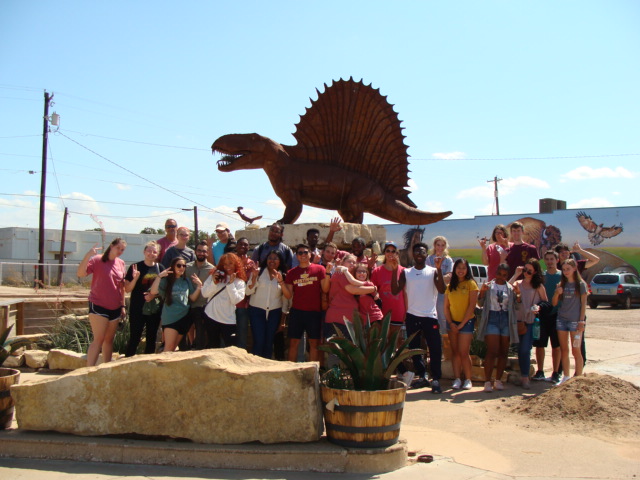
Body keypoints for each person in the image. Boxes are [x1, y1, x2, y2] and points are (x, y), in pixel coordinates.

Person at [391, 242, 446, 393]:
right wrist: (395, 270)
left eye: (422, 252)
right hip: (412, 316)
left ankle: (435, 379)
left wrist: (440, 269)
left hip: (430, 315)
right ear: (412, 255)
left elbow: (442, 289)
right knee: (415, 349)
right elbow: (395, 290)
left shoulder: (433, 271)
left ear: (426, 254)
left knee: (434, 348)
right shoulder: (406, 272)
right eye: (416, 252)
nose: (419, 255)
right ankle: (422, 377)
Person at [77, 238, 127, 366]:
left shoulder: (121, 263)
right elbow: (81, 273)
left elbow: (121, 287)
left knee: (109, 340)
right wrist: (88, 255)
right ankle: (88, 371)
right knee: (98, 340)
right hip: (98, 305)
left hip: (115, 306)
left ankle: (106, 369)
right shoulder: (97, 259)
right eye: (118, 248)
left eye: (122, 250)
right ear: (111, 246)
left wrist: (122, 306)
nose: (120, 251)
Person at [282, 244, 331, 362]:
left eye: (305, 252)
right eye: (300, 253)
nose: (303, 255)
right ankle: (291, 372)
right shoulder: (291, 273)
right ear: (296, 256)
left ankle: (312, 374)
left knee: (314, 344)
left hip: (314, 312)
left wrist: (328, 274)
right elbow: (288, 295)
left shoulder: (319, 269)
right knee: (293, 342)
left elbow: (325, 289)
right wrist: (281, 282)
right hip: (297, 312)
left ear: (310, 254)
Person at [371, 242, 410, 384]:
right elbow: (373, 292)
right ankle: (384, 371)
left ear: (397, 254)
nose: (390, 253)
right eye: (388, 250)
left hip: (398, 311)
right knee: (383, 343)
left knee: (396, 343)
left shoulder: (403, 271)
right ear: (384, 253)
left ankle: (400, 371)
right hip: (382, 313)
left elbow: (405, 293)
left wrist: (406, 310)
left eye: (394, 251)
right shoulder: (377, 272)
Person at [555, 242, 598, 367]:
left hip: (576, 313)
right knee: (562, 346)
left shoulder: (577, 265)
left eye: (566, 251)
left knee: (578, 344)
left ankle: (579, 369)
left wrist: (580, 250)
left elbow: (595, 260)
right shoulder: (557, 267)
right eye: (561, 252)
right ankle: (561, 371)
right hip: (561, 312)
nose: (564, 253)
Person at [477, 263, 518, 392]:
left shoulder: (510, 288)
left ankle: (498, 380)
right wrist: (482, 292)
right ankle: (487, 381)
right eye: (499, 274)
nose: (501, 277)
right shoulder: (489, 286)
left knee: (504, 351)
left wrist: (518, 295)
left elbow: (516, 306)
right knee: (492, 350)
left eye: (505, 275)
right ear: (496, 273)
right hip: (492, 318)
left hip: (506, 319)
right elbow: (480, 303)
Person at [150, 257, 202, 352]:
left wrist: (199, 286)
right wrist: (159, 277)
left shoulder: (186, 281)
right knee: (168, 348)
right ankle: (162, 366)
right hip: (171, 318)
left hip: (184, 318)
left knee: (173, 348)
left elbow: (192, 298)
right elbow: (153, 292)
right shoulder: (166, 281)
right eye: (179, 265)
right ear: (173, 266)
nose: (181, 267)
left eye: (184, 266)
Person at [246, 250, 292, 358]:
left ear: (280, 261)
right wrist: (253, 278)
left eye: (275, 258)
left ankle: (266, 369)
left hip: (274, 312)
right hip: (257, 311)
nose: (272, 261)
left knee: (269, 342)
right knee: (259, 341)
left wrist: (281, 281)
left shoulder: (284, 275)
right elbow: (248, 292)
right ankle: (254, 368)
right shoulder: (259, 272)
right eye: (270, 258)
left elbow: (287, 297)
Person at [510, 259, 547, 389]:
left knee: (525, 349)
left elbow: (545, 302)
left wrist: (538, 307)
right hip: (517, 321)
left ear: (535, 272)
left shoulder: (538, 286)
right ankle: (523, 375)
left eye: (529, 271)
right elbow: (505, 288)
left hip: (530, 321)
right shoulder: (517, 283)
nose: (526, 273)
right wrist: (516, 274)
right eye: (525, 270)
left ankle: (525, 377)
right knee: (520, 349)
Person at [444, 258, 480, 390]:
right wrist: (451, 323)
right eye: (458, 268)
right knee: (455, 352)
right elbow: (446, 307)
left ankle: (468, 379)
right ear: (454, 269)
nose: (461, 270)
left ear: (467, 269)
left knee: (464, 352)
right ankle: (457, 378)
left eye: (463, 268)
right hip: (452, 323)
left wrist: (461, 324)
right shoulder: (450, 286)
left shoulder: (471, 284)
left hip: (466, 322)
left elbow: (471, 306)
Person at [552, 258, 587, 385]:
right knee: (564, 349)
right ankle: (566, 376)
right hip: (562, 319)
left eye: (568, 269)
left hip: (574, 321)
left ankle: (578, 377)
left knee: (576, 349)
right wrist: (556, 293)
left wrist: (581, 321)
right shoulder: (561, 284)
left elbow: (583, 304)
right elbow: (554, 303)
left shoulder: (580, 284)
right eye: (564, 269)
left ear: (574, 269)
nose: (566, 271)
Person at [124, 241, 162, 357]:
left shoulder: (160, 268)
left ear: (158, 254)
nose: (151, 253)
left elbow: (165, 289)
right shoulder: (135, 267)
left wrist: (153, 295)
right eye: (149, 251)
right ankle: (127, 363)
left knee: (151, 338)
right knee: (135, 337)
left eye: (154, 251)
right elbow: (127, 289)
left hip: (154, 309)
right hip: (137, 308)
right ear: (144, 252)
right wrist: (135, 278)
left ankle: (147, 364)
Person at [324, 254, 377, 339]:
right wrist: (373, 289)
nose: (352, 264)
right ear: (343, 262)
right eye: (349, 261)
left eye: (354, 262)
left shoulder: (351, 276)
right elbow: (353, 290)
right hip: (338, 319)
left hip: (349, 321)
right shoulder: (340, 273)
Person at [201, 253, 247, 349]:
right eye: (225, 264)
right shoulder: (215, 276)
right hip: (211, 316)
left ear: (236, 264)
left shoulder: (239, 282)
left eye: (230, 263)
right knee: (212, 346)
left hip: (228, 319)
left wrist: (231, 284)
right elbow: (205, 294)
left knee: (230, 348)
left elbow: (235, 300)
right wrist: (213, 282)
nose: (227, 267)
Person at [532, 250, 562, 383]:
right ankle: (540, 371)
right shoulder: (541, 276)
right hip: (542, 315)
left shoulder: (563, 276)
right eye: (547, 259)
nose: (550, 262)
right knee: (540, 345)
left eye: (552, 259)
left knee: (556, 345)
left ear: (557, 260)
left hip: (558, 314)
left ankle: (556, 372)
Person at [185, 241, 215, 350]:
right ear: (195, 252)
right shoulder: (187, 268)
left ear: (207, 253)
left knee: (201, 335)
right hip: (187, 305)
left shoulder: (212, 270)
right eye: (199, 250)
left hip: (203, 306)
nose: (201, 253)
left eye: (204, 251)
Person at [426, 236, 454, 331]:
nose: (440, 248)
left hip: (443, 293)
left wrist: (437, 278)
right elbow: (428, 275)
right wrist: (441, 278)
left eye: (442, 245)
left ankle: (444, 339)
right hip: (431, 292)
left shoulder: (448, 260)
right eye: (438, 245)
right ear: (434, 245)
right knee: (432, 317)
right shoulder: (429, 259)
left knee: (443, 316)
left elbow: (449, 276)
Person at [234, 237, 256, 350]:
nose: (243, 247)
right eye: (240, 244)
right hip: (229, 304)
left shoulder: (251, 264)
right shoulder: (229, 260)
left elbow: (249, 282)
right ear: (236, 246)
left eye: (245, 245)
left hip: (243, 304)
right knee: (226, 334)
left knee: (242, 334)